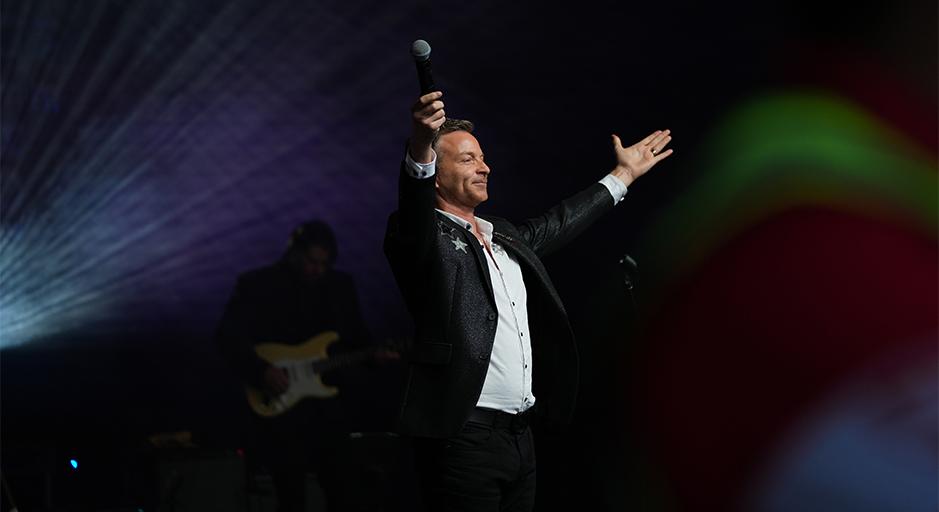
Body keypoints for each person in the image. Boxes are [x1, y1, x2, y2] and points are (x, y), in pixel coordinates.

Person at [383, 90, 673, 511]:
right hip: (464, 434)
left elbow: (558, 223)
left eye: (482, 158)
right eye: (467, 159)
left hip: (519, 437)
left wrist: (622, 176)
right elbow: (413, 201)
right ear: (436, 175)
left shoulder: (502, 234)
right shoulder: (421, 236)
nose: (484, 167)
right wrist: (421, 143)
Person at [216, 220, 385, 512]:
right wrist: (261, 370)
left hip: (330, 410)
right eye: (311, 261)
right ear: (293, 253)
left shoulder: (340, 286)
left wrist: (375, 358)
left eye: (324, 263)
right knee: (290, 494)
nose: (317, 269)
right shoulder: (257, 284)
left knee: (342, 489)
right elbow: (227, 336)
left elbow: (358, 339)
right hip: (281, 413)